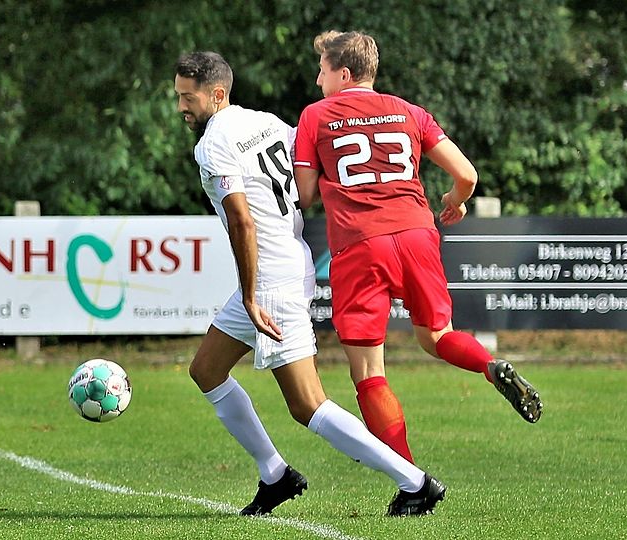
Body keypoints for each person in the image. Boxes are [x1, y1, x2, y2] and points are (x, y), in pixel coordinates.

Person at [175, 51, 446, 518]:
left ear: (217, 94)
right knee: (206, 370)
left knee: (307, 404)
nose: (181, 106)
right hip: (287, 261)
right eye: (178, 96)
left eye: (188, 97)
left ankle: (415, 482)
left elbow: (242, 221)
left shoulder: (213, 143)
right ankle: (274, 474)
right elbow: (314, 169)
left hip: (270, 280)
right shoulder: (266, 122)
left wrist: (250, 294)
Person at [293, 30, 544, 463]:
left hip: (360, 243)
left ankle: (410, 477)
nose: (318, 81)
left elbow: (306, 194)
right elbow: (467, 175)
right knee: (437, 336)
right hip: (416, 233)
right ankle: (489, 366)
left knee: (369, 372)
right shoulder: (409, 111)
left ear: (344, 74)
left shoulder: (315, 116)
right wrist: (455, 201)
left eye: (322, 71)